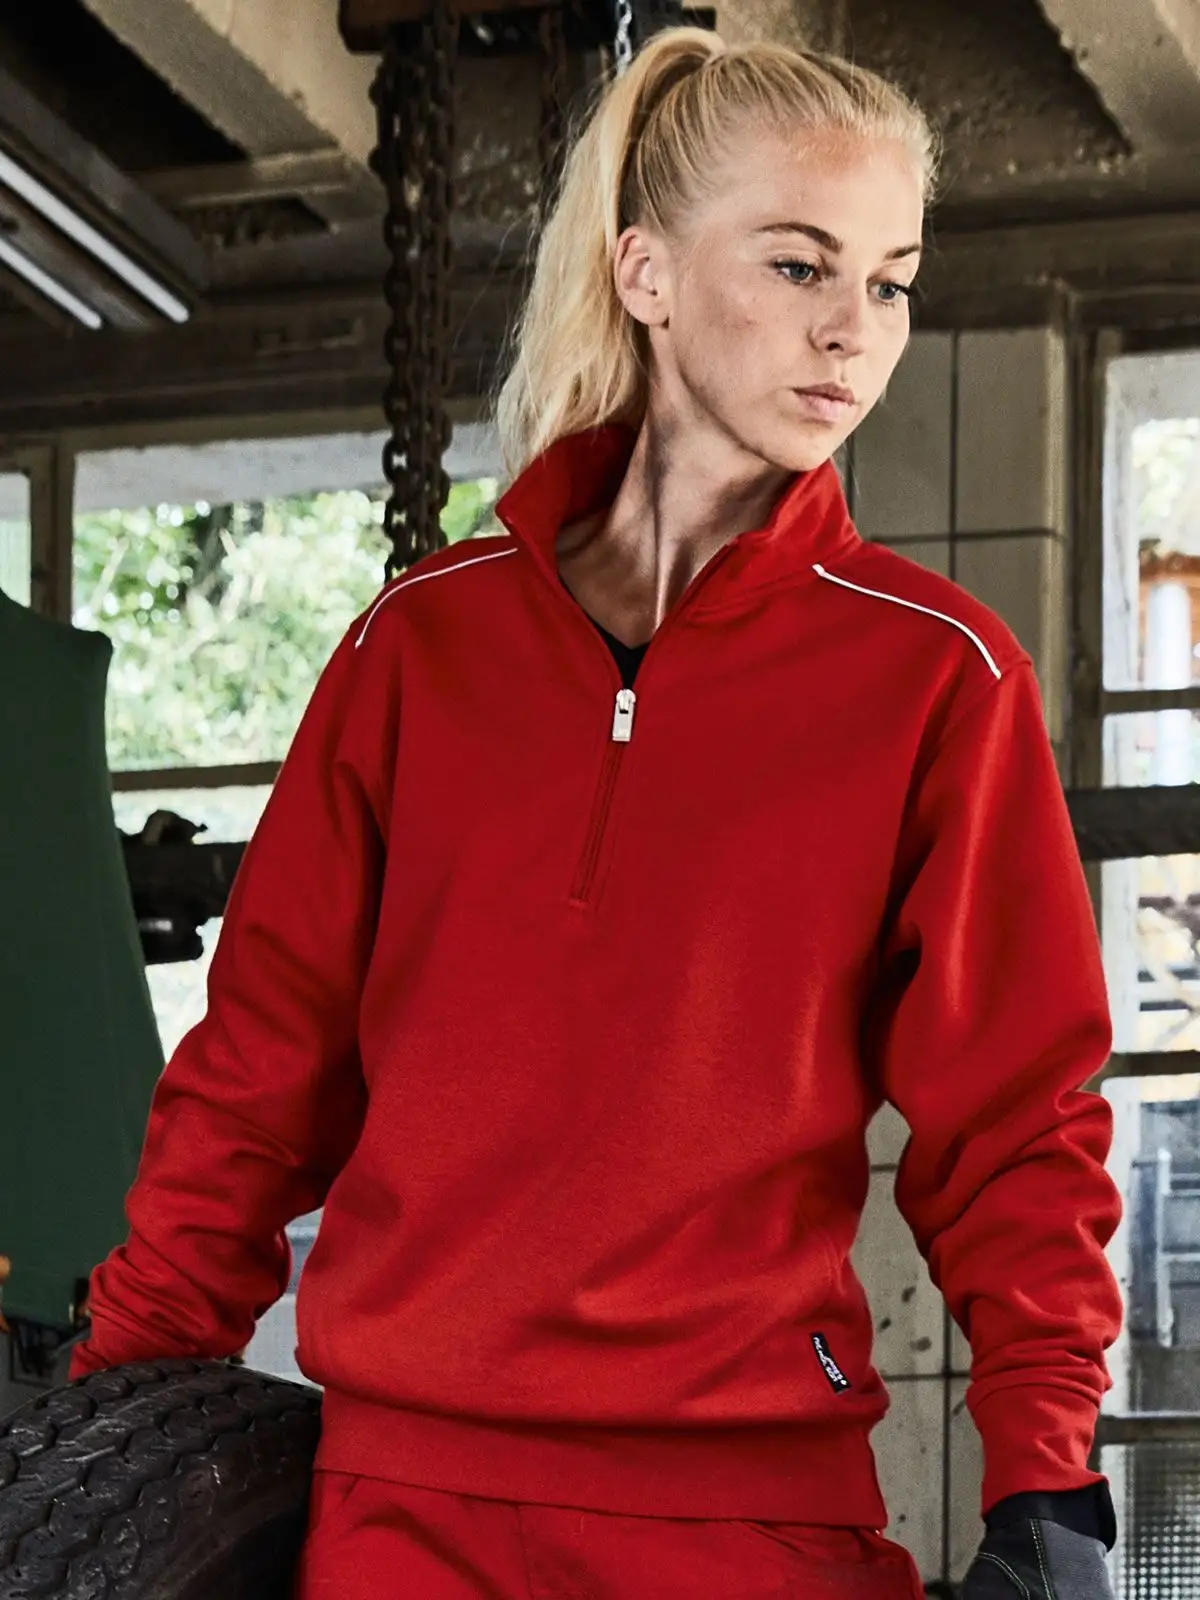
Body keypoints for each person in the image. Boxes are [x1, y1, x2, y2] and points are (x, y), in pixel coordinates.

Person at [71, 29, 1124, 1600]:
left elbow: (1018, 1128)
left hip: (749, 1524)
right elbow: (257, 1079)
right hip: (403, 1516)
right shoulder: (418, 648)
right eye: (799, 265)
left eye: (891, 282)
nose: (853, 330)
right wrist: (104, 1434)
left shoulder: (936, 678)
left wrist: (1051, 1487)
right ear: (647, 274)